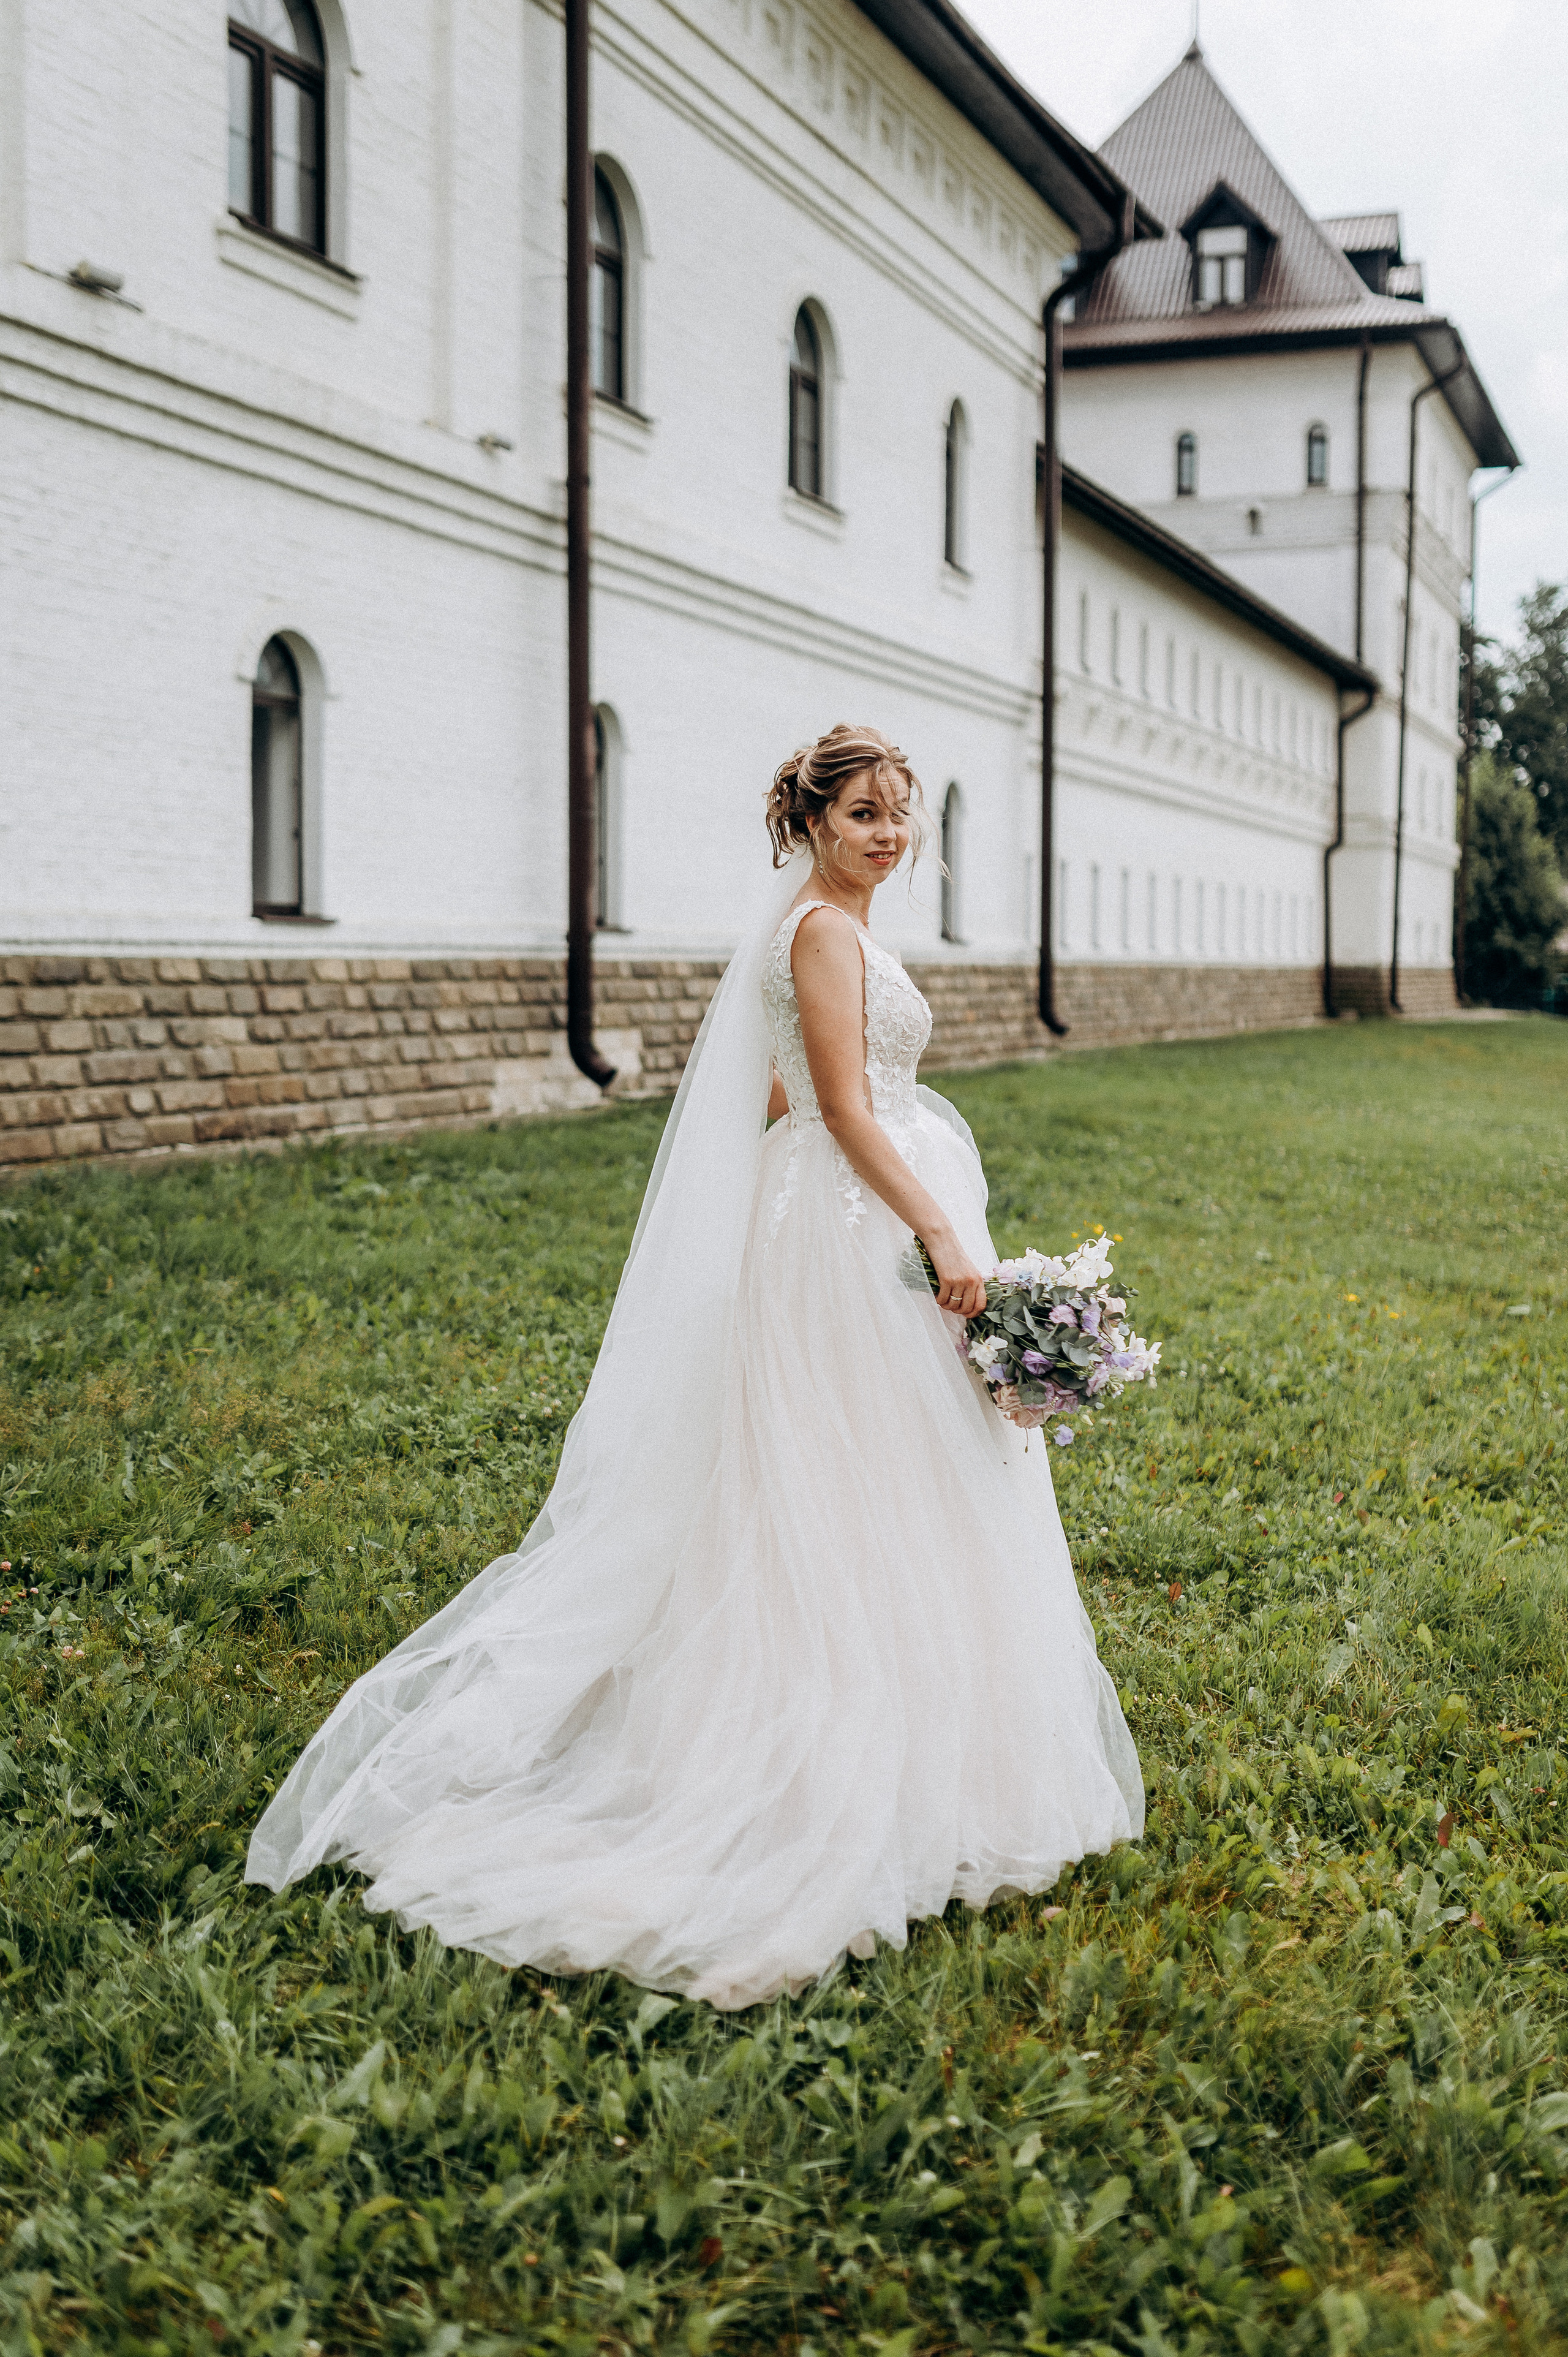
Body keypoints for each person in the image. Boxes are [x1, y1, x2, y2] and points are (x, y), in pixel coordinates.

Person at [247, 725, 1143, 2008]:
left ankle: (909, 1742)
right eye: (863, 816)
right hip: (857, 1221)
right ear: (811, 824)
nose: (888, 834)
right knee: (861, 1476)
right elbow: (839, 1107)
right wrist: (939, 1228)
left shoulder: (826, 932)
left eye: (902, 814)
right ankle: (830, 1763)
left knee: (873, 1472)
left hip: (832, 1216)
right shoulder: (823, 931)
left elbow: (783, 1096)